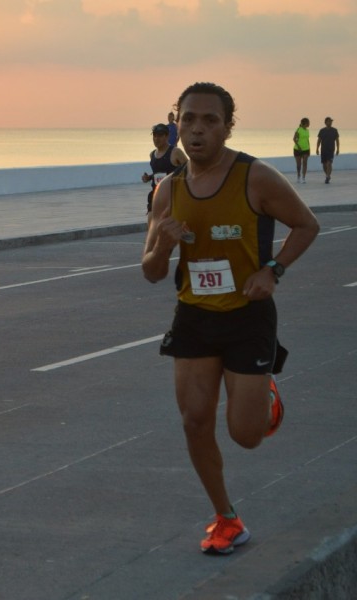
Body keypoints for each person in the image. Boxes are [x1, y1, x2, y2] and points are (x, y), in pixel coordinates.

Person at [141, 82, 319, 555]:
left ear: (227, 126)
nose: (196, 130)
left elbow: (307, 224)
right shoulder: (168, 191)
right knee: (195, 422)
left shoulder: (255, 177)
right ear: (176, 123)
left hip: (248, 316)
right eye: (188, 120)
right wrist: (163, 245)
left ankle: (265, 399)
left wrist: (273, 269)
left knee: (247, 436)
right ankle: (227, 519)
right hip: (194, 317)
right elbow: (151, 272)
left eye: (209, 121)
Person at [141, 123, 188, 224]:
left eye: (160, 136)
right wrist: (148, 177)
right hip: (156, 194)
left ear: (167, 136)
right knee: (151, 224)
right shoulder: (152, 154)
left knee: (170, 228)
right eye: (154, 136)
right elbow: (158, 173)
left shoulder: (176, 152)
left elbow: (190, 170)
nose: (156, 139)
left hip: (172, 196)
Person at [316, 117, 340, 184]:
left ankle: (327, 176)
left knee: (329, 163)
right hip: (323, 150)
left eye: (331, 121)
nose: (330, 122)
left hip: (331, 150)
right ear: (325, 122)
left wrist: (338, 149)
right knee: (324, 165)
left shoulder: (334, 130)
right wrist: (317, 148)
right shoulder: (322, 130)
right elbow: (319, 140)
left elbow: (337, 140)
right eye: (329, 121)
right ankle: (327, 175)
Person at [292, 118, 310, 183]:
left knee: (305, 163)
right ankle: (298, 176)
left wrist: (309, 148)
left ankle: (303, 177)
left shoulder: (307, 130)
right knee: (299, 164)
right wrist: (299, 146)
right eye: (308, 122)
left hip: (306, 149)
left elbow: (307, 140)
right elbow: (294, 139)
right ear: (305, 123)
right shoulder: (298, 130)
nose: (309, 124)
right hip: (298, 149)